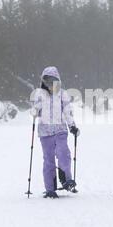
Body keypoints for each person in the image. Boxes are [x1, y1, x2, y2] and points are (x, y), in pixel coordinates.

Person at [31, 66, 80, 199]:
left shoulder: (62, 94)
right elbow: (34, 112)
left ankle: (67, 180)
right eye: (48, 81)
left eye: (53, 81)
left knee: (63, 153)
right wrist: (36, 109)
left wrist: (72, 126)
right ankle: (50, 188)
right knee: (49, 160)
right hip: (45, 132)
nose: (51, 84)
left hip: (60, 130)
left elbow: (68, 112)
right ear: (44, 81)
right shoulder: (39, 94)